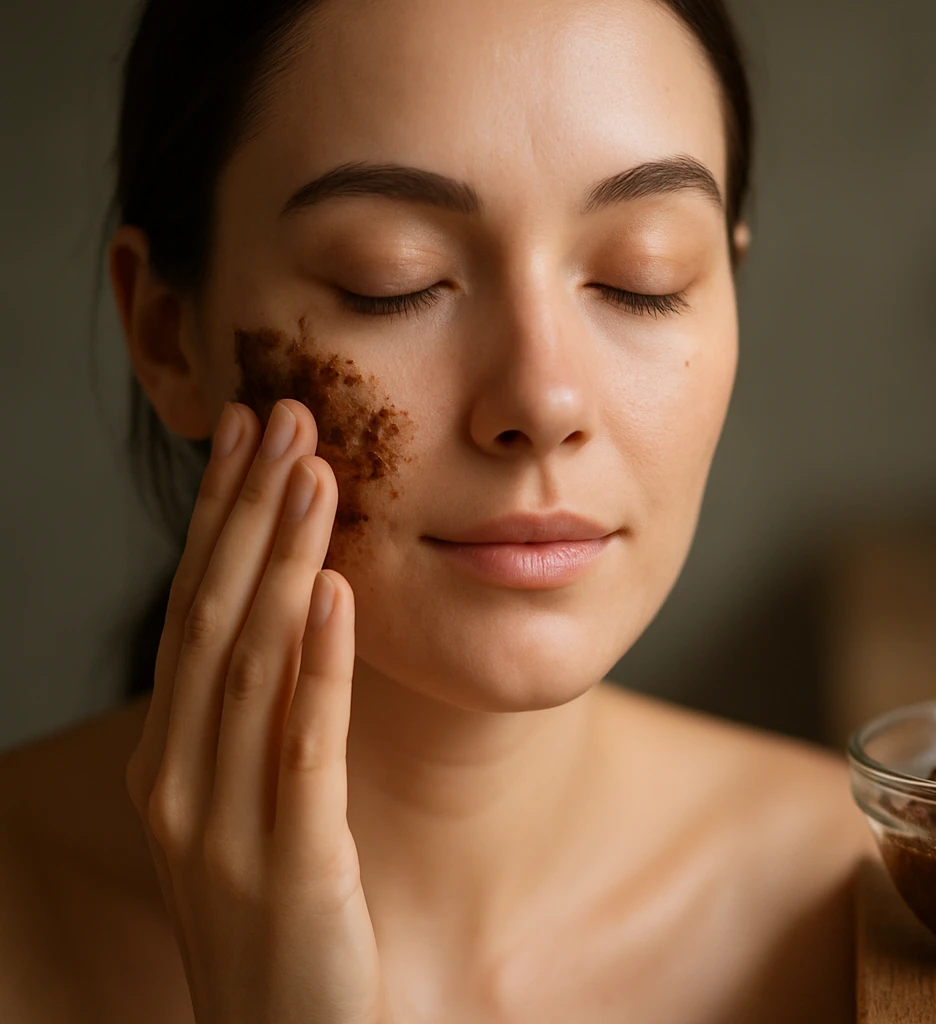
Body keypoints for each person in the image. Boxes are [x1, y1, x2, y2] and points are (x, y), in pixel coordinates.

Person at [0, 1, 875, 1020]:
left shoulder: (884, 900)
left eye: (643, 278)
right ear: (165, 336)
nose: (544, 401)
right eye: (394, 282)